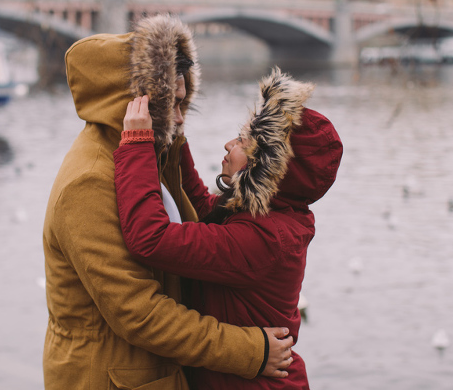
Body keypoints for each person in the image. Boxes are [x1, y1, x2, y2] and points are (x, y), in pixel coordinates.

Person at [43, 15, 294, 390]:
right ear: (134, 104)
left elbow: (201, 226)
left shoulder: (148, 159)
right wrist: (249, 351)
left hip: (154, 373)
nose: (180, 118)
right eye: (170, 105)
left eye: (183, 103)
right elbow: (138, 313)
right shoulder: (89, 182)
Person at [114, 68, 344, 389]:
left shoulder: (262, 238)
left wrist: (136, 144)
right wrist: (175, 136)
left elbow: (151, 239)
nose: (228, 144)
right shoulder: (275, 213)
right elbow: (205, 210)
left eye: (241, 141)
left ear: (263, 168)